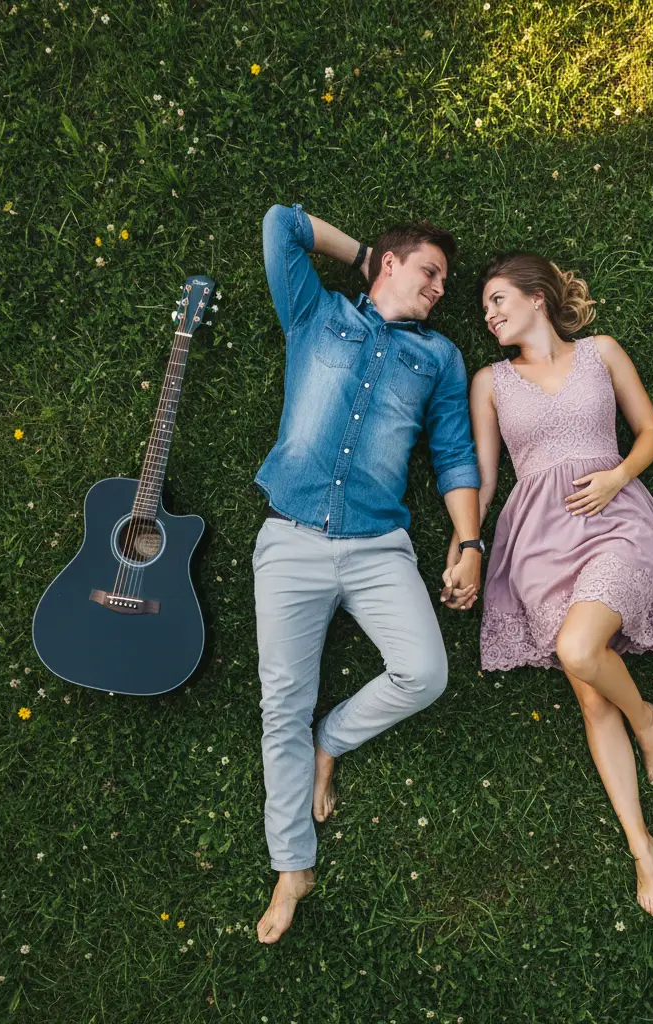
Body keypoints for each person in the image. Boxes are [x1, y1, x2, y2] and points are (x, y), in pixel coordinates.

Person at [445, 252, 653, 918]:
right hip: (536, 543)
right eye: (484, 308)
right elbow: (482, 476)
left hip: (615, 518)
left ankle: (646, 718)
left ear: (538, 298)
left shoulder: (603, 352)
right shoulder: (490, 382)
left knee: (578, 651)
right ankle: (640, 845)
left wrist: (619, 476)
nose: (490, 314)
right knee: (593, 702)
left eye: (499, 299)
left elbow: (651, 432)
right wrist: (466, 548)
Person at [254, 203, 485, 943]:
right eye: (430, 272)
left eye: (445, 281)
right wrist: (362, 254)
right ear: (391, 264)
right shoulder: (314, 313)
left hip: (380, 547)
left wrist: (470, 541)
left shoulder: (441, 358)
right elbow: (280, 223)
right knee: (279, 705)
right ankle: (292, 866)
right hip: (290, 541)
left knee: (426, 672)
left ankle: (333, 741)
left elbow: (454, 455)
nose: (440, 289)